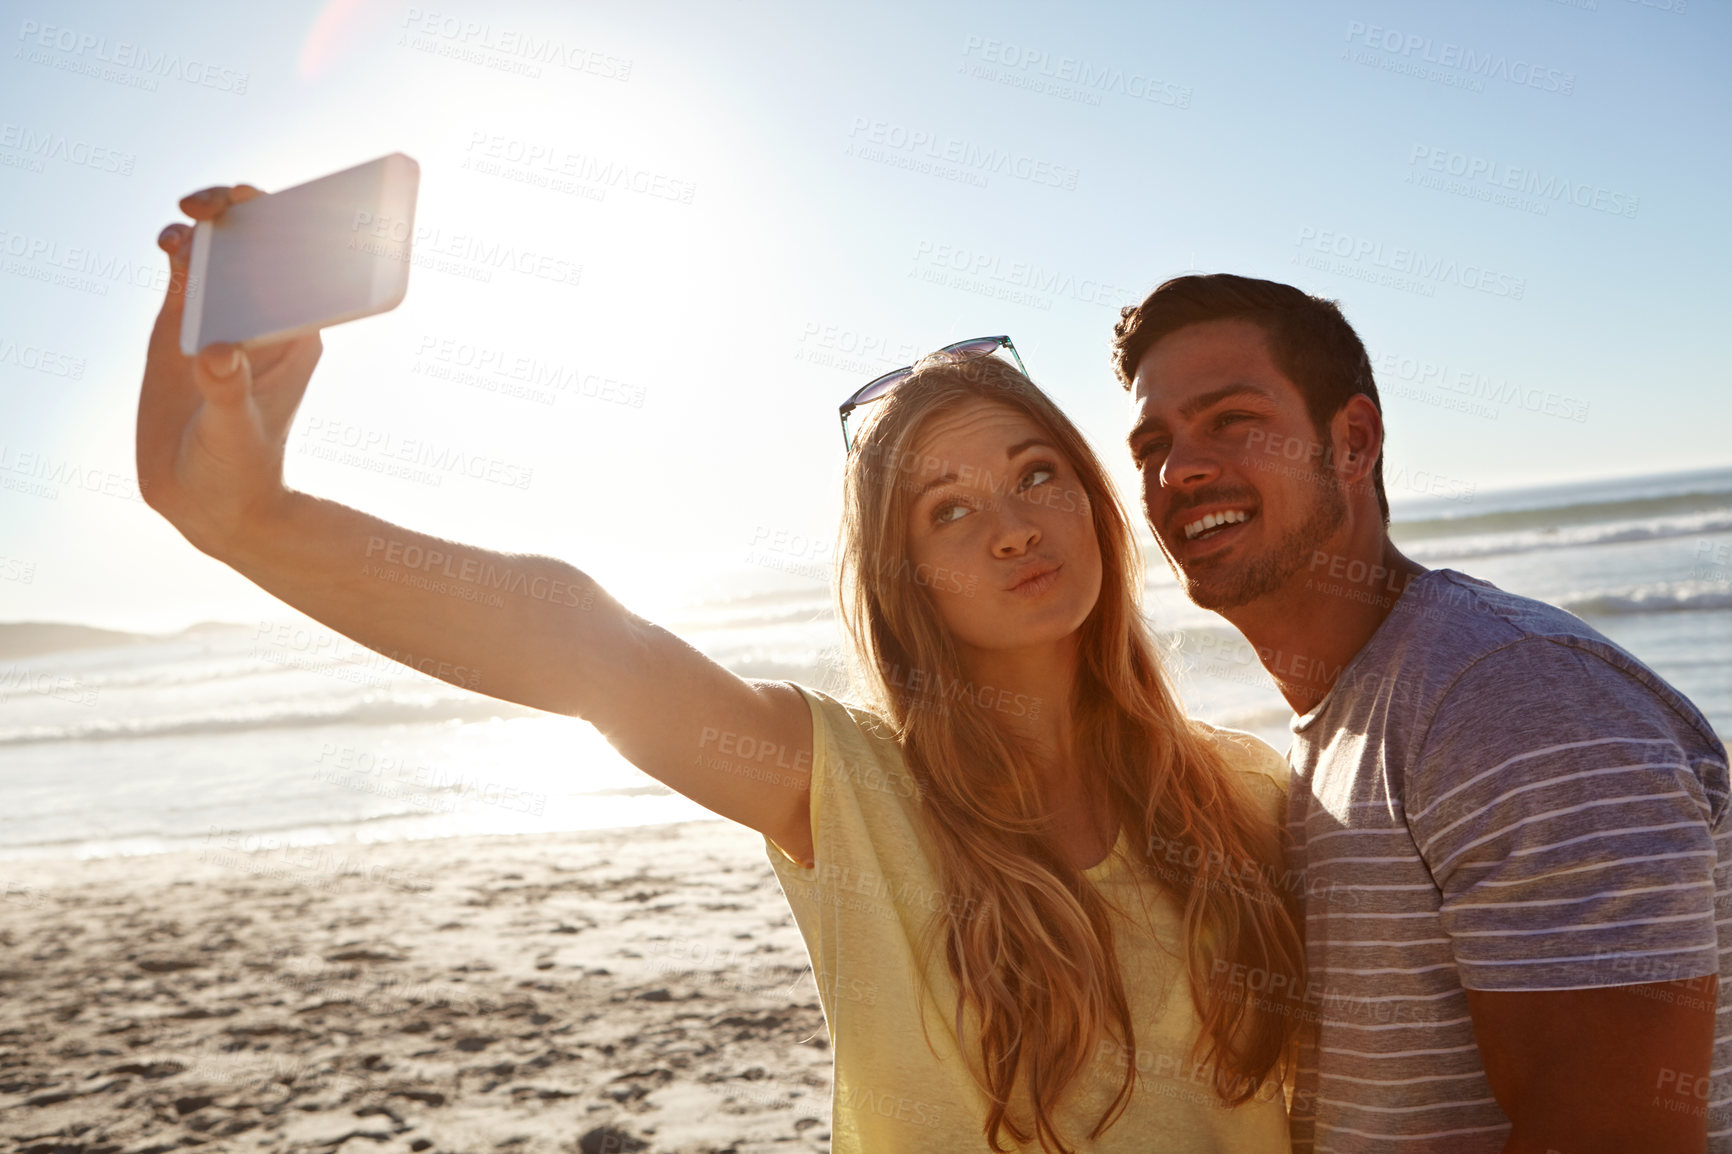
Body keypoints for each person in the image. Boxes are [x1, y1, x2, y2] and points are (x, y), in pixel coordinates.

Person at [137, 186, 1307, 1153]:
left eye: (1036, 473)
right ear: (906, 581)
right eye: (948, 509)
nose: (1011, 525)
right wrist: (248, 515)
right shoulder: (845, 787)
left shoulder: (1248, 794)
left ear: (1096, 503)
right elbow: (581, 637)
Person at [1112, 272, 1732, 1154]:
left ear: (1353, 441)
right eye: (1151, 446)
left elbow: (1614, 1136)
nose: (1181, 469)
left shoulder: (1508, 696)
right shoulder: (1348, 722)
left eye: (1233, 421)